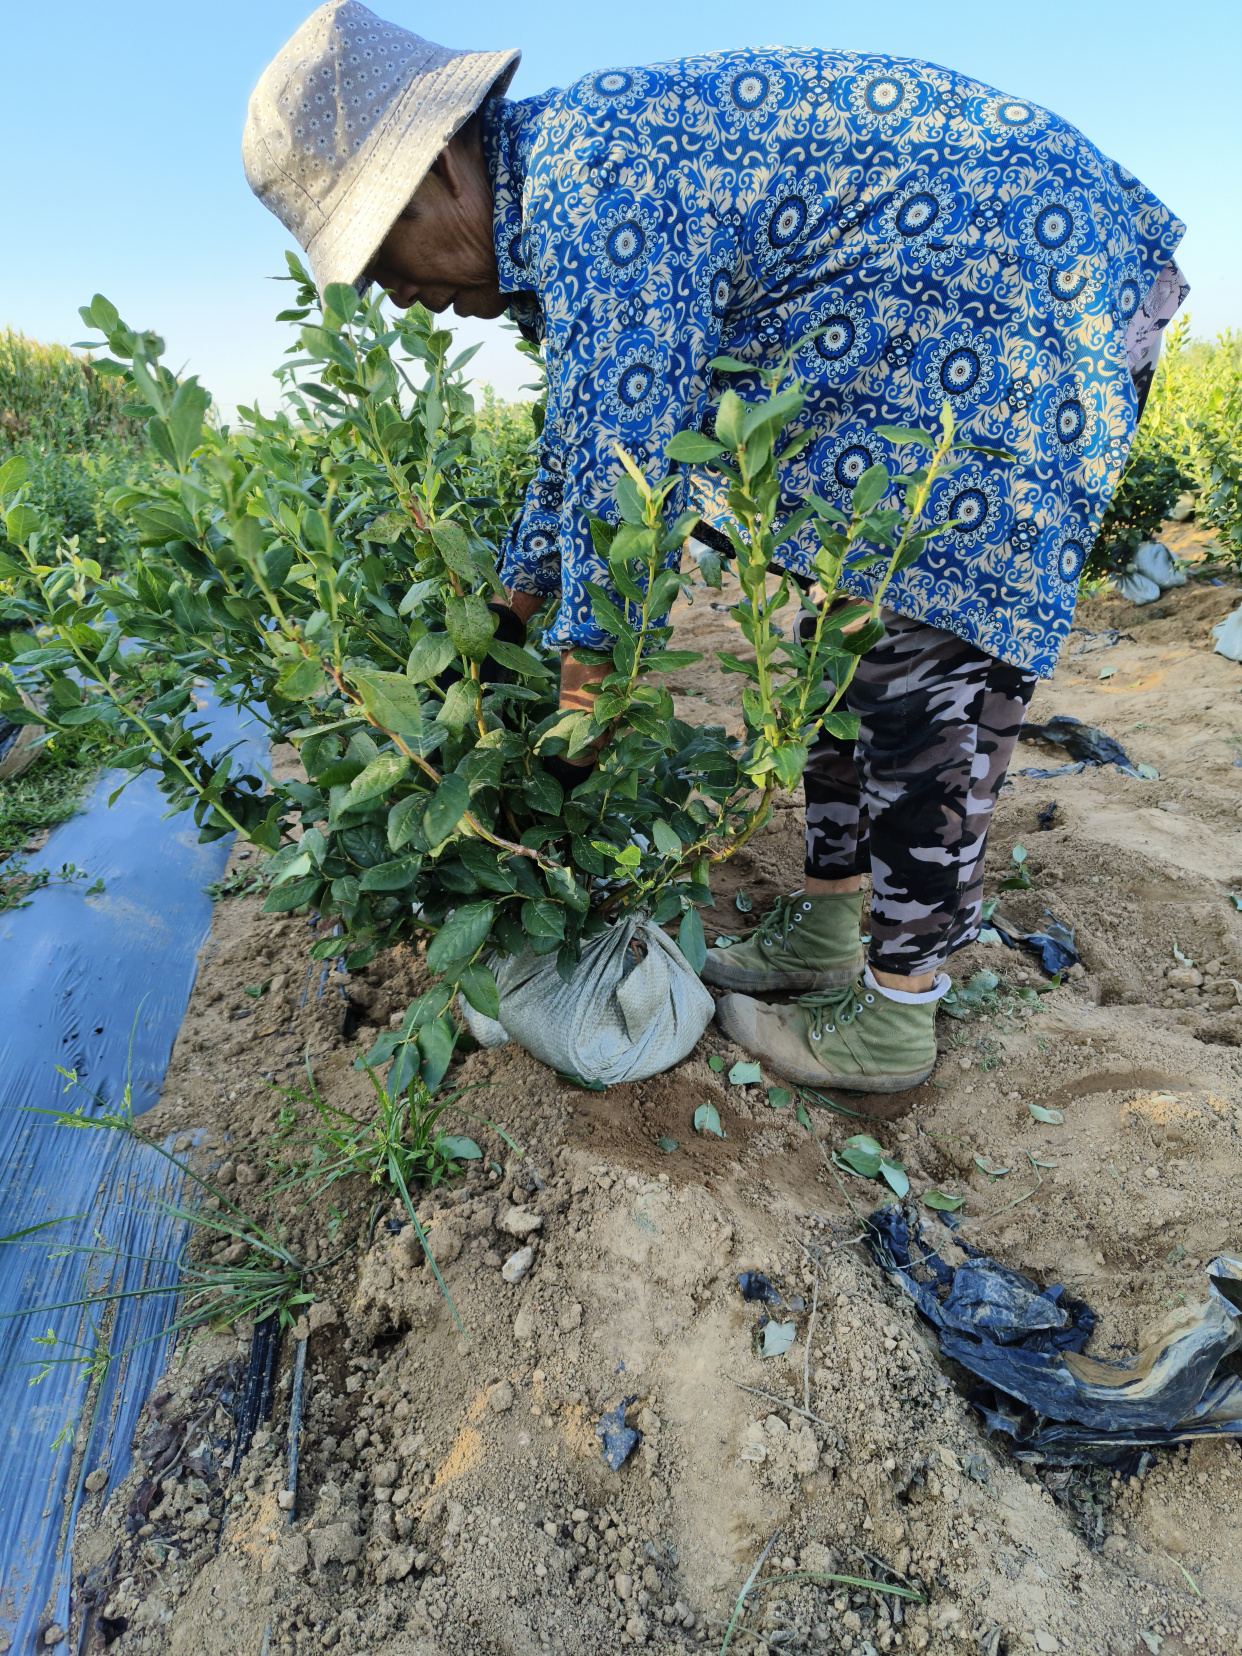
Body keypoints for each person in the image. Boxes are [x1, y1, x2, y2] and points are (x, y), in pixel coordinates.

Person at [244, 2, 1187, 1093]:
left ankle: (895, 1018)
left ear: (441, 172)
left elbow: (627, 469)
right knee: (835, 633)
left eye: (378, 255)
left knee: (917, 649)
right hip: (946, 313)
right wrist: (513, 597)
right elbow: (585, 435)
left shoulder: (593, 178)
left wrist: (583, 687)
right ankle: (833, 927)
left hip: (1020, 294)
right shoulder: (563, 190)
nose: (396, 296)